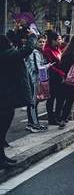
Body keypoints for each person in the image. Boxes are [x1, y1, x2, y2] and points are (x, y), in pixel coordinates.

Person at [0, 30, 36, 168]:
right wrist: (32, 36)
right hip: (5, 98)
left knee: (2, 131)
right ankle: (1, 160)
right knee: (2, 129)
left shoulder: (5, 55)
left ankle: (2, 157)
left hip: (5, 97)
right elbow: (27, 49)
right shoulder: (6, 55)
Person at [25, 35, 48, 132]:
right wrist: (47, 66)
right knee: (33, 103)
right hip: (33, 80)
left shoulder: (39, 52)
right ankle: (34, 124)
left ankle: (33, 123)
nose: (42, 43)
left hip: (36, 80)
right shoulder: (34, 53)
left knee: (35, 102)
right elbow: (37, 68)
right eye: (40, 42)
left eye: (43, 42)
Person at [43, 31, 62, 125]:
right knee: (51, 98)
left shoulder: (58, 49)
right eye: (58, 39)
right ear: (53, 40)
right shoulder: (47, 50)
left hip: (59, 77)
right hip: (52, 77)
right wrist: (61, 72)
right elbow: (50, 65)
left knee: (60, 98)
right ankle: (51, 118)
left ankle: (58, 116)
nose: (60, 41)